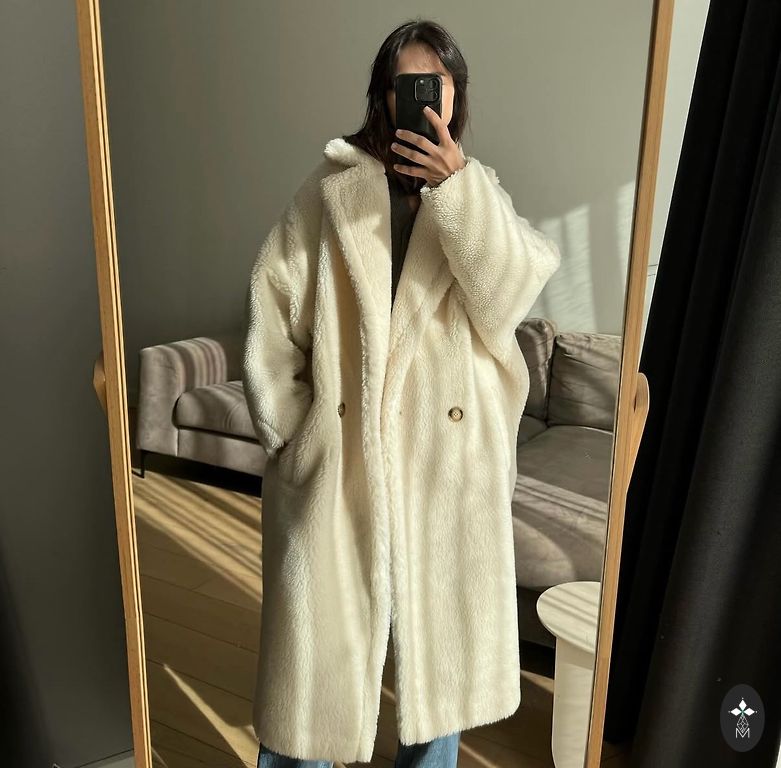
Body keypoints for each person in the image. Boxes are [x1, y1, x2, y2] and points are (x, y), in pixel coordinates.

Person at [243, 18, 561, 768]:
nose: (420, 99)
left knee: (433, 672)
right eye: (404, 85)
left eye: (434, 85)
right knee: (311, 670)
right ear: (382, 97)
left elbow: (509, 297)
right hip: (341, 461)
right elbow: (272, 313)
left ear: (454, 97)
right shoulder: (331, 191)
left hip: (442, 465)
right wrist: (297, 436)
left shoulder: (478, 193)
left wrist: (457, 190)